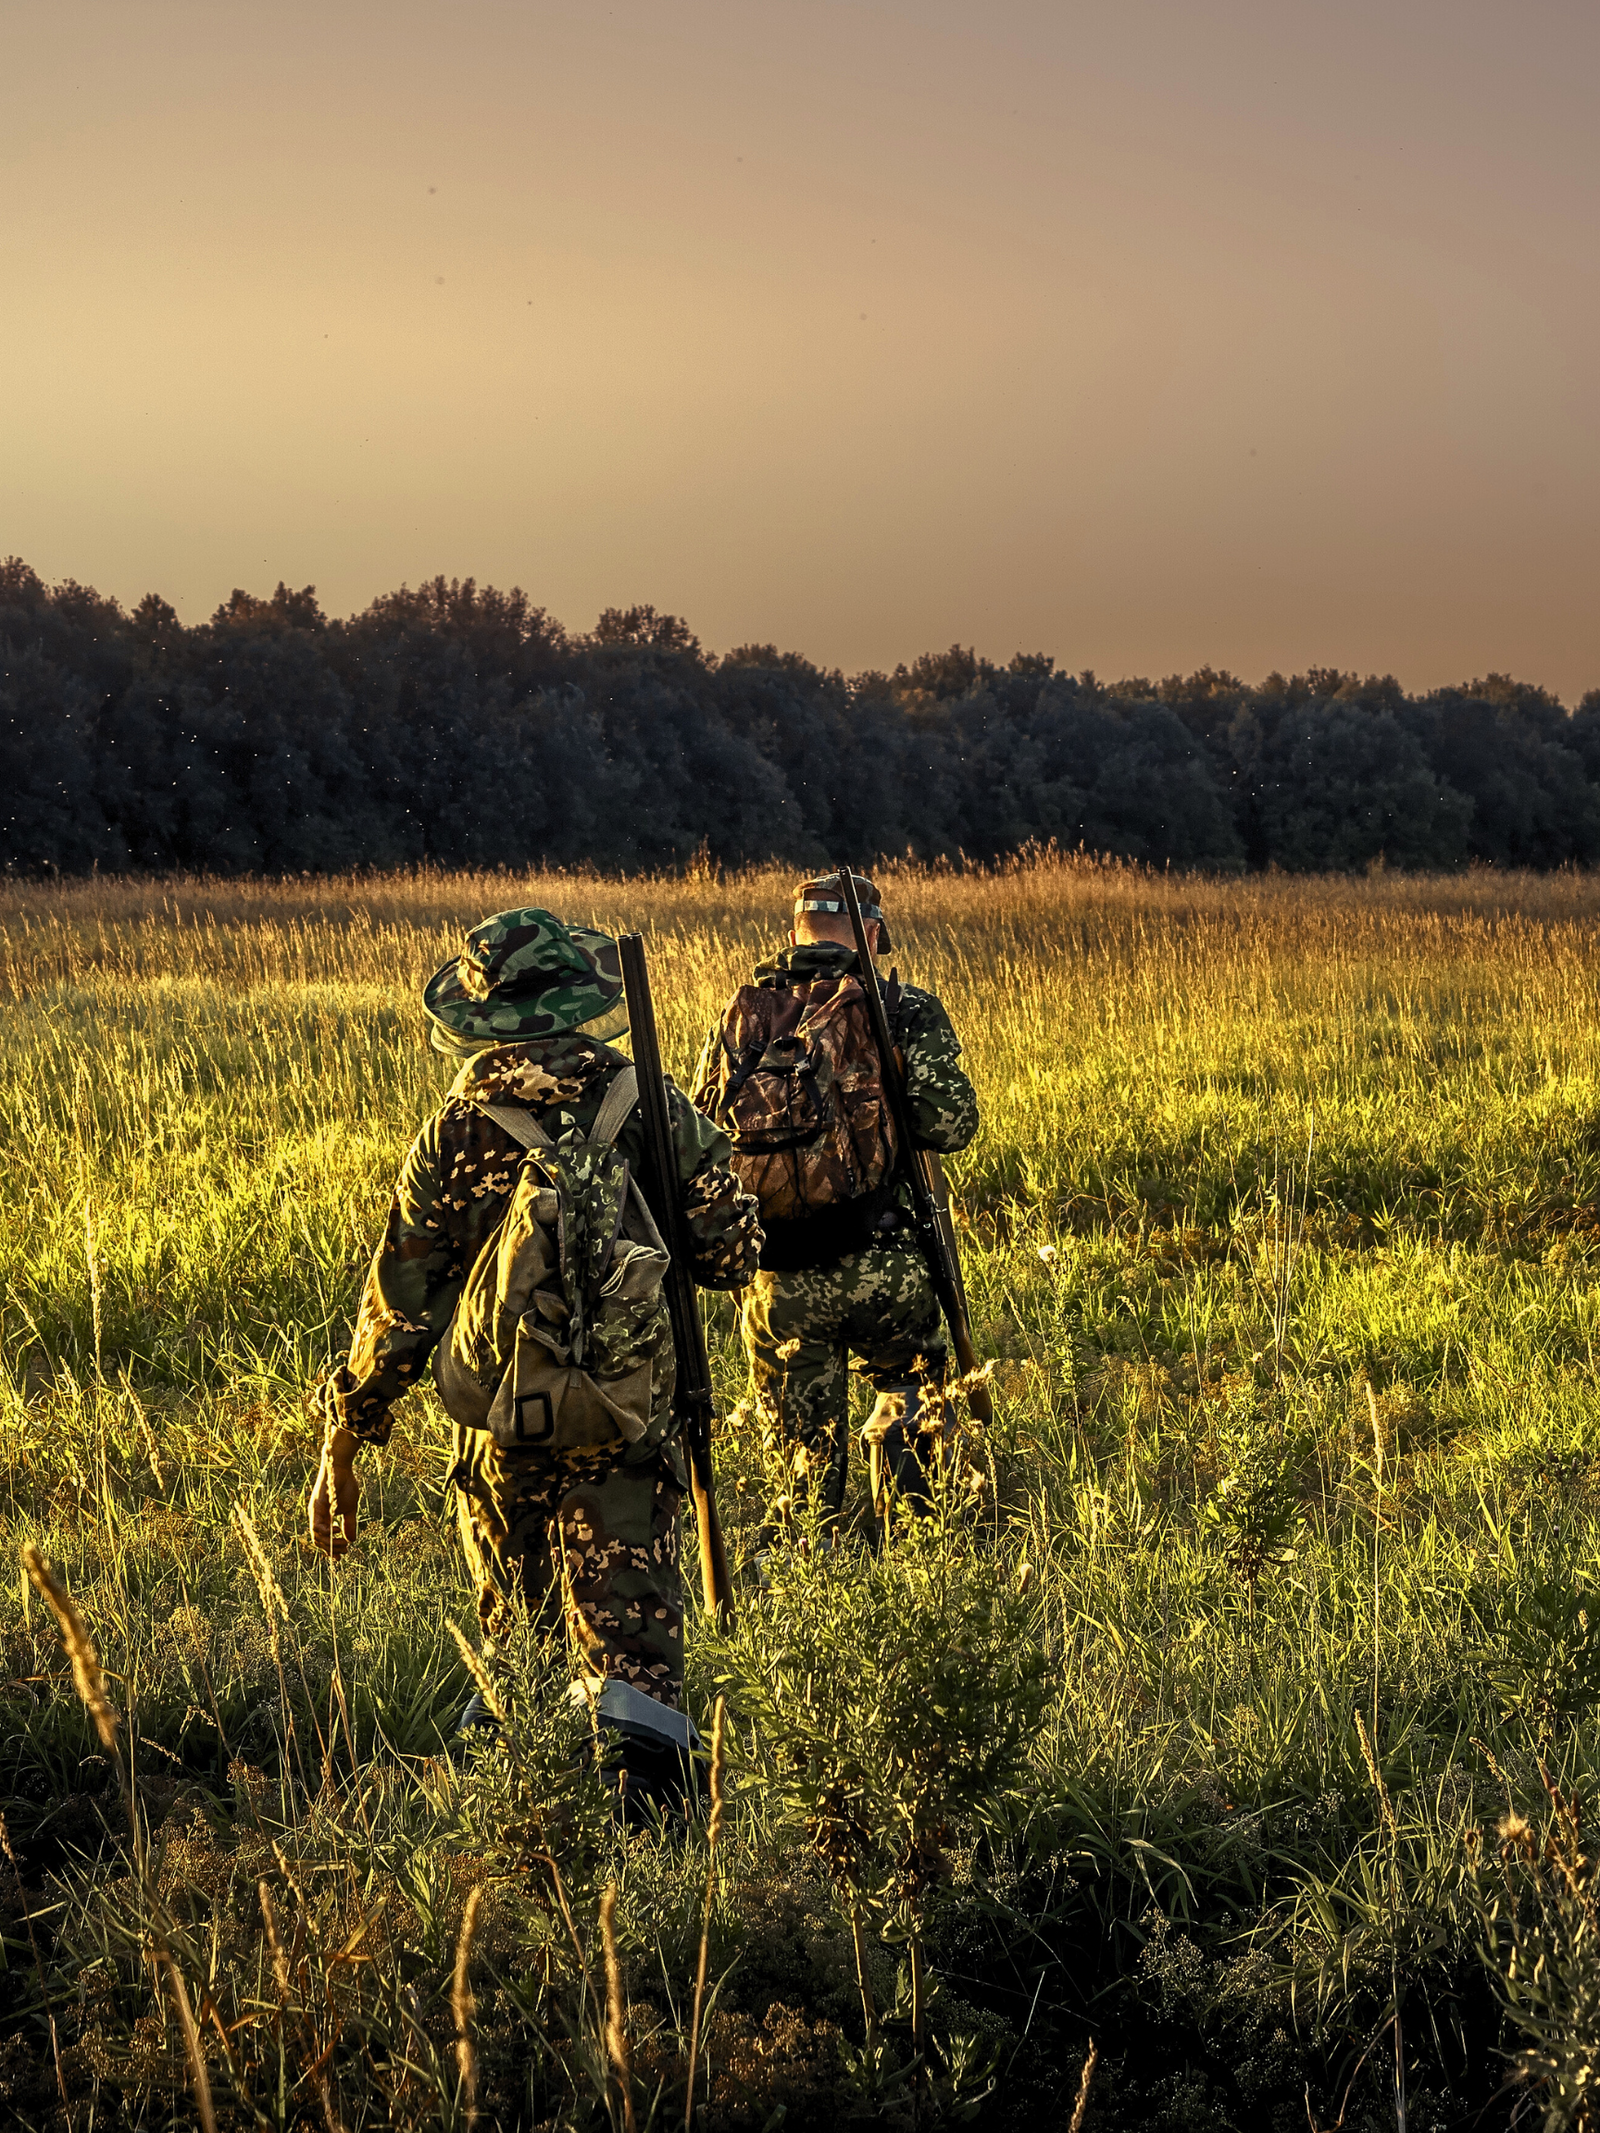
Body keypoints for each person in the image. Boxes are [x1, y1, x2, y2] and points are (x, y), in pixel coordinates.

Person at [308, 907, 761, 1802]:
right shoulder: (647, 1101)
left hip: (502, 1438)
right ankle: (657, 1888)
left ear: (482, 1013)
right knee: (637, 1680)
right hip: (632, 1432)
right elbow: (730, 1255)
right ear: (579, 999)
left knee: (519, 1661)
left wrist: (344, 1440)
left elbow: (400, 1312)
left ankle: (531, 1871)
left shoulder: (454, 1131)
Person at [694, 871, 978, 1535]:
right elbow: (950, 1125)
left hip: (778, 1275)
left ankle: (808, 1579)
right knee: (910, 1406)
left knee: (800, 1457)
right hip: (887, 1265)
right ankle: (916, 1559)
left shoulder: (746, 1015)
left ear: (794, 931)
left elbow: (701, 1142)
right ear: (873, 935)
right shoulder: (901, 1006)